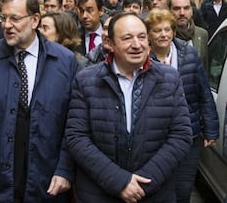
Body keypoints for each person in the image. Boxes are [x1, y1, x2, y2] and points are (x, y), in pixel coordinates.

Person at [0, 0, 79, 202]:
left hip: (47, 181)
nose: (6, 25)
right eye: (3, 18)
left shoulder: (64, 62)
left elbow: (75, 123)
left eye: (15, 19)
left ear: (34, 20)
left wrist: (64, 169)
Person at [66, 12, 192, 202]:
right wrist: (119, 181)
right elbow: (77, 138)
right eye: (127, 38)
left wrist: (142, 184)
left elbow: (181, 135)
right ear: (109, 43)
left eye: (142, 37)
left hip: (154, 192)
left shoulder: (170, 79)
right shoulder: (86, 81)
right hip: (99, 193)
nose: (136, 44)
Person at [145, 9, 219, 203]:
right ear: (149, 34)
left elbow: (203, 92)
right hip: (155, 138)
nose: (163, 34)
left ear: (174, 31)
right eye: (157, 30)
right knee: (158, 189)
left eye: (167, 29)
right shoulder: (141, 59)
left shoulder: (189, 53)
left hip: (188, 134)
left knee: (183, 189)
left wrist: (211, 129)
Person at [170, 0, 209, 70]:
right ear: (169, 11)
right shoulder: (165, 36)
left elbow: (205, 67)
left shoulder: (202, 34)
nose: (182, 13)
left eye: (186, 8)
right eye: (177, 9)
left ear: (192, 11)